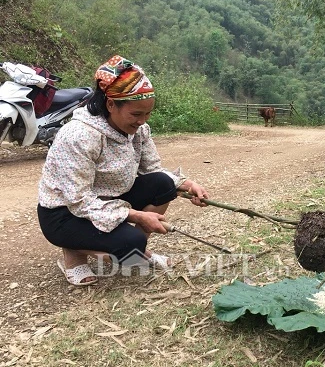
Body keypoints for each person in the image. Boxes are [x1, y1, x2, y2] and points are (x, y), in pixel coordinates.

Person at [37, 55, 209, 286]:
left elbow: (153, 170)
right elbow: (79, 201)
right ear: (110, 104)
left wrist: (186, 185)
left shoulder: (139, 129)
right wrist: (137, 216)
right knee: (130, 243)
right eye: (136, 114)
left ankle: (134, 250)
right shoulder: (79, 136)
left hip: (109, 200)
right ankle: (74, 252)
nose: (142, 121)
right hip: (65, 213)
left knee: (164, 184)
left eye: (147, 113)